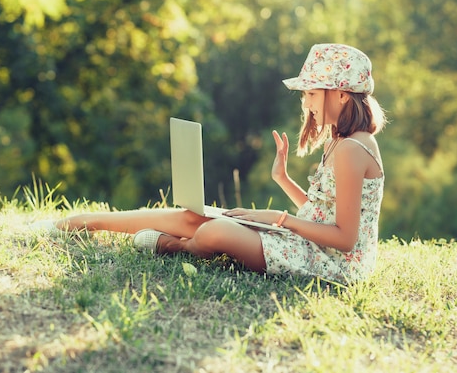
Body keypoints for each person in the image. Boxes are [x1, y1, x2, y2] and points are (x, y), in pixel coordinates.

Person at [32, 43, 386, 284]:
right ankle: (81, 222)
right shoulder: (340, 141)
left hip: (333, 264)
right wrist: (282, 179)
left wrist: (279, 220)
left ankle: (177, 246)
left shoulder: (353, 149)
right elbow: (323, 213)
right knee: (196, 216)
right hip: (309, 245)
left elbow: (344, 238)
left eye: (311, 92)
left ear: (340, 94)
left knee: (214, 231)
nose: (306, 102)